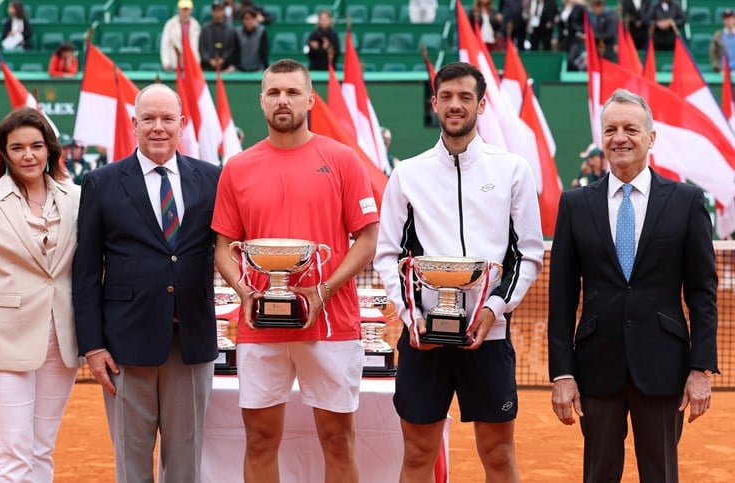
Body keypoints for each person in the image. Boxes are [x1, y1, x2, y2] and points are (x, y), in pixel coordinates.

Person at [373, 61, 545, 482]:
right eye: (446, 96)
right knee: (417, 455)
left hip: (490, 336)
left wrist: (496, 308)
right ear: (434, 103)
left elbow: (529, 252)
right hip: (422, 340)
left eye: (465, 97)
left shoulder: (512, 169)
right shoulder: (407, 173)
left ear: (481, 105)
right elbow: (386, 254)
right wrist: (412, 317)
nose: (455, 105)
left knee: (499, 456)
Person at [212, 58, 379, 483]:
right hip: (260, 327)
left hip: (332, 323)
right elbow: (223, 248)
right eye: (273, 92)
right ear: (262, 101)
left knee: (338, 439)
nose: (282, 100)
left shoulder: (342, 159)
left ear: (310, 98)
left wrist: (322, 290)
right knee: (261, 440)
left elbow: (367, 239)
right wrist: (246, 294)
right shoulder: (237, 168)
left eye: (291, 92)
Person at [549, 88, 718, 482]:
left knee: (660, 476)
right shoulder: (574, 204)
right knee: (599, 476)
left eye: (630, 128)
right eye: (610, 129)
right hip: (595, 368)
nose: (619, 137)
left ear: (651, 138)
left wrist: (700, 370)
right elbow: (561, 296)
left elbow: (702, 293)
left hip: (663, 368)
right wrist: (562, 374)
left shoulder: (687, 201)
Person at [72, 83, 221, 482]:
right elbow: (85, 272)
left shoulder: (212, 179)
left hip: (190, 344)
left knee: (185, 464)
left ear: (182, 124)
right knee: (132, 466)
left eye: (167, 119)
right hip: (124, 347)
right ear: (133, 124)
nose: (159, 127)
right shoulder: (101, 182)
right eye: (149, 119)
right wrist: (92, 346)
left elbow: (227, 250)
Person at [0, 106, 81, 482]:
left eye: (36, 146)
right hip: (3, 343)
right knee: (14, 450)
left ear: (49, 150)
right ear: (4, 153)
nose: (28, 155)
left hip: (62, 341)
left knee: (42, 447)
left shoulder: (76, 197)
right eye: (17, 148)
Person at [160, 0, 201, 72]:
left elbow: (197, 46)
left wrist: (197, 62)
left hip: (191, 65)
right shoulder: (170, 24)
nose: (185, 11)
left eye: (187, 9)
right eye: (183, 9)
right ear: (178, 9)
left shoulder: (195, 25)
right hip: (174, 64)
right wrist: (166, 62)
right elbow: (165, 44)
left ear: (191, 10)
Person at [200, 0, 238, 72]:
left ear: (223, 11)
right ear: (212, 12)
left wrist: (223, 59)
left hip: (225, 68)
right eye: (215, 10)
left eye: (219, 10)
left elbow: (232, 48)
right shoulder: (205, 28)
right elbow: (201, 47)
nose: (217, 13)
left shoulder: (230, 29)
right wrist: (209, 60)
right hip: (207, 68)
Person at [234, 7, 268, 72]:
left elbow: (264, 51)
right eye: (246, 18)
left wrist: (265, 67)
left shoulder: (261, 31)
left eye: (251, 18)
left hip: (257, 69)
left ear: (254, 19)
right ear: (243, 20)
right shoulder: (237, 32)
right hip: (241, 69)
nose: (249, 21)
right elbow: (236, 51)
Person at [558, 0, 587, 71]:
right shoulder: (564, 7)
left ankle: (581, 70)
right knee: (564, 59)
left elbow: (586, 20)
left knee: (571, 58)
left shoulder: (580, 7)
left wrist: (583, 32)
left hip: (576, 36)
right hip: (565, 37)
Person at [710, 8, 735, 74]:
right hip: (722, 72)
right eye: (726, 18)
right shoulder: (717, 36)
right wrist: (719, 69)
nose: (728, 20)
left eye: (730, 18)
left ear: (734, 19)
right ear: (723, 21)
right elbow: (713, 55)